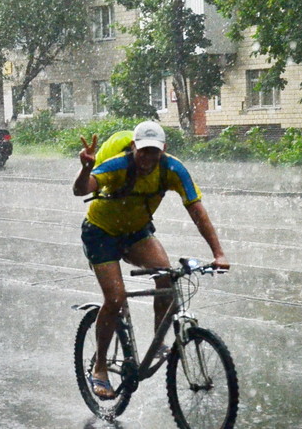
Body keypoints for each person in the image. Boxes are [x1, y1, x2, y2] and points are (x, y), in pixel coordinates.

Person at [72, 120, 229, 399]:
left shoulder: (173, 170)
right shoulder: (118, 165)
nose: (147, 158)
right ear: (133, 148)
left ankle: (158, 343)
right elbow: (81, 190)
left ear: (163, 150)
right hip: (101, 233)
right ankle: (99, 367)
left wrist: (218, 253)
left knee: (166, 276)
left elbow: (197, 210)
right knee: (116, 298)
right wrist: (86, 168)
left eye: (153, 152)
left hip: (136, 233)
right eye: (143, 151)